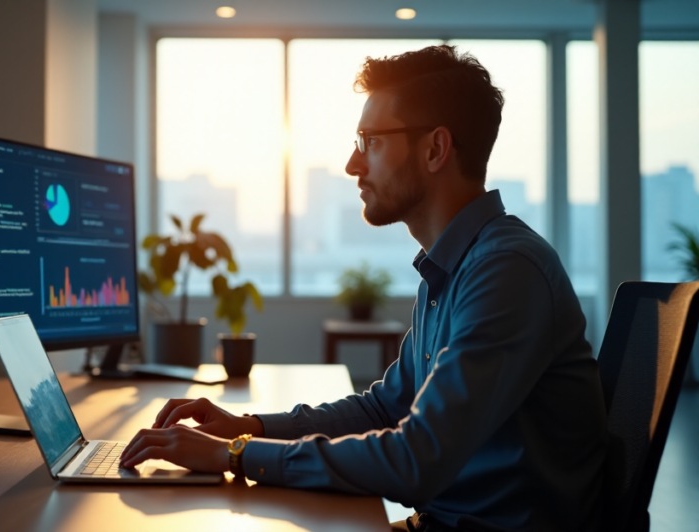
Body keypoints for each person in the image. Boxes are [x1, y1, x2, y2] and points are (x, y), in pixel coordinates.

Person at [119, 44, 607, 532]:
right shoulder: (455, 267)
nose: (353, 164)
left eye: (370, 140)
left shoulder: (505, 270)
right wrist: (250, 427)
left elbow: (416, 459)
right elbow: (385, 407)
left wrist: (236, 454)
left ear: (435, 149)